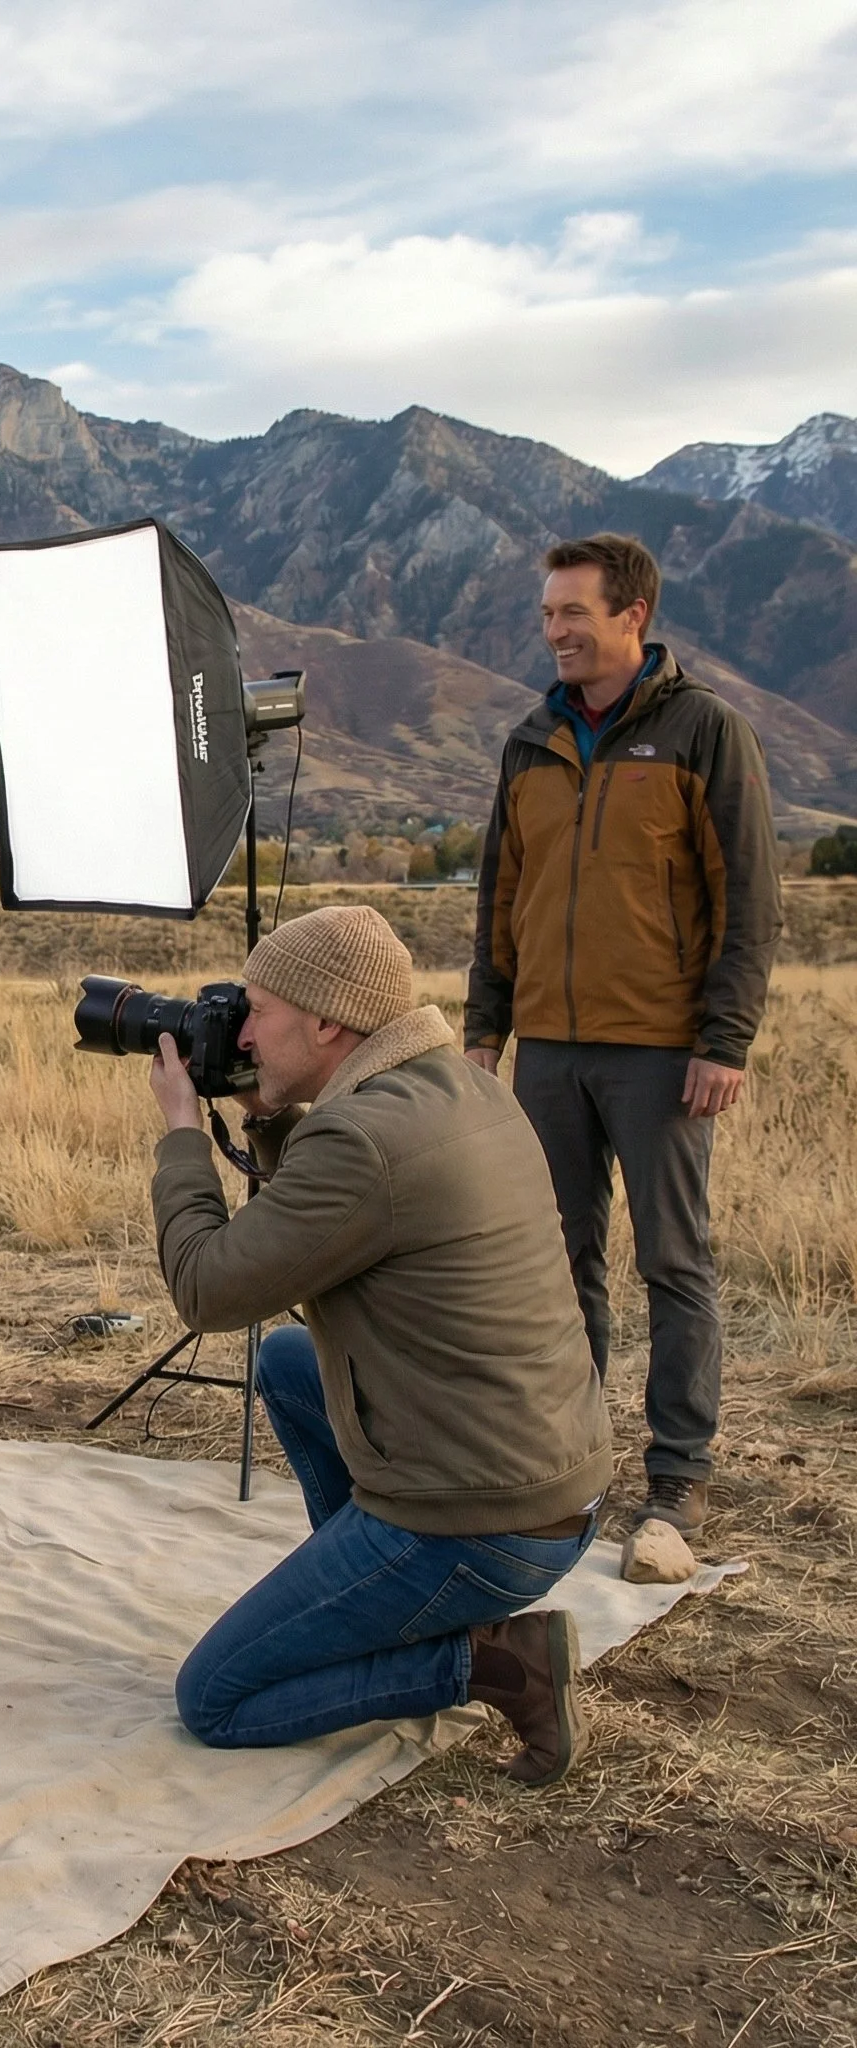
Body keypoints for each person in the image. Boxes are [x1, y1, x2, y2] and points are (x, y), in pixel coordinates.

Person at [151, 905, 612, 1783]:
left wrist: (181, 1135)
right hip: (555, 1487)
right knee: (287, 1363)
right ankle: (382, 1602)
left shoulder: (362, 1137)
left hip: (481, 1524)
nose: (238, 1030)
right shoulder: (457, 1086)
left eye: (255, 1010)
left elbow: (208, 1288)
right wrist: (265, 1112)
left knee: (213, 1699)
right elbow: (332, 1216)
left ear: (326, 1021)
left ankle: (495, 1662)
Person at [466, 534, 781, 1538]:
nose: (552, 629)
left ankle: (676, 1481)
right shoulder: (529, 741)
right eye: (546, 613)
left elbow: (750, 902)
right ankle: (565, 1473)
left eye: (570, 612)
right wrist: (484, 1027)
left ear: (629, 616)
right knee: (555, 1264)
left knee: (671, 1263)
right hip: (548, 1052)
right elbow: (497, 896)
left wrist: (721, 1040)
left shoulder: (702, 732)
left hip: (659, 1050)